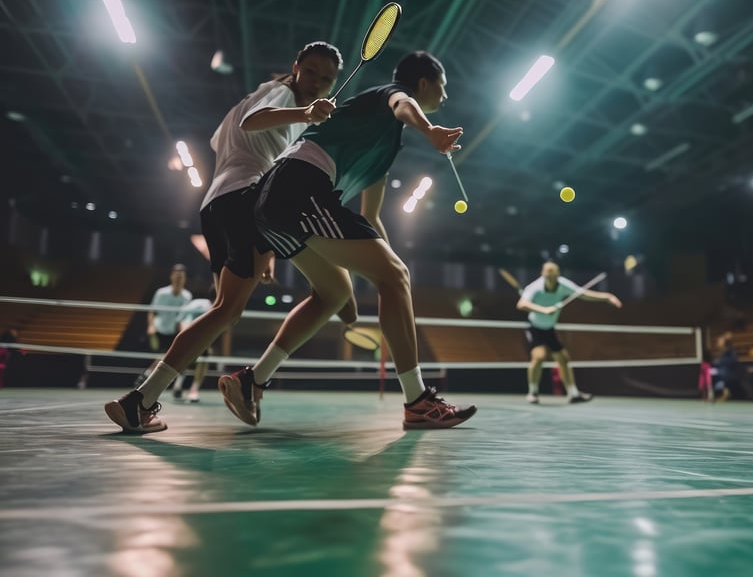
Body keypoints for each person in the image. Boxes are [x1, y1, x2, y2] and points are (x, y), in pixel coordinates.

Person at [218, 50, 477, 430]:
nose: (446, 95)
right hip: (299, 187)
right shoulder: (394, 94)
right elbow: (404, 105)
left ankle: (251, 380)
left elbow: (370, 217)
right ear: (424, 84)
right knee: (393, 275)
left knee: (334, 295)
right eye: (443, 86)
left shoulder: (383, 143)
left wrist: (391, 272)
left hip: (280, 200)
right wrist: (431, 131)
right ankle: (418, 402)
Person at [105, 41, 348, 433]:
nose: (318, 82)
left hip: (216, 204)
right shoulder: (282, 95)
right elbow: (251, 123)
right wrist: (304, 113)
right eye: (312, 71)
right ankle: (246, 380)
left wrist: (265, 248)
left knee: (224, 310)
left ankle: (140, 400)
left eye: (327, 79)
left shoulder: (269, 101)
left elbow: (223, 140)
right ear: (296, 66)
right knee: (319, 294)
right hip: (245, 200)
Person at [517, 261, 622, 404]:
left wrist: (607, 297)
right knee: (539, 356)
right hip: (534, 327)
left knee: (563, 358)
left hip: (549, 328)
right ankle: (533, 392)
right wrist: (544, 310)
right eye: (547, 270)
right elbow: (521, 304)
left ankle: (573, 393)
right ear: (542, 273)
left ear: (557, 273)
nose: (550, 273)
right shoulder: (535, 287)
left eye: (553, 270)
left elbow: (584, 294)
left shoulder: (563, 285)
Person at [134, 264, 193, 387]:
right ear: (171, 277)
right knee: (164, 358)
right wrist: (151, 326)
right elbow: (152, 311)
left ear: (184, 279)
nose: (178, 278)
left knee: (177, 359)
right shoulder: (161, 293)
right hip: (159, 330)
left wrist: (184, 331)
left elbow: (184, 316)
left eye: (181, 276)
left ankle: (149, 379)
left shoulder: (187, 296)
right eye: (176, 275)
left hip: (174, 332)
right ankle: (145, 377)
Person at [170, 288, 214, 403]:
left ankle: (188, 388)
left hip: (199, 337)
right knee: (190, 360)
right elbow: (181, 319)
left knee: (201, 360)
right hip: (188, 333)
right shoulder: (201, 305)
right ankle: (183, 387)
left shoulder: (217, 309)